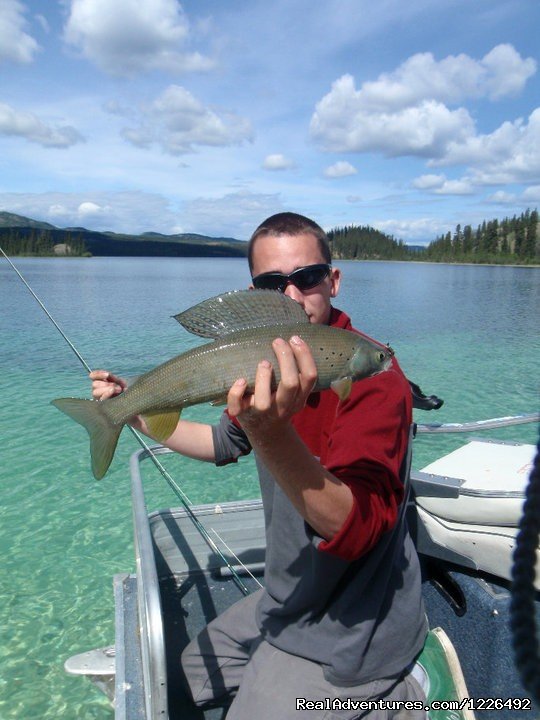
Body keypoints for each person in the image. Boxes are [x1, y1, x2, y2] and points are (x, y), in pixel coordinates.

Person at [90, 212, 428, 719]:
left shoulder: (374, 379)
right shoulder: (261, 370)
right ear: (254, 292)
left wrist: (270, 431)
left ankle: (400, 696)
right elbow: (223, 442)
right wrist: (132, 412)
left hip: (355, 635)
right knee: (171, 683)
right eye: (273, 284)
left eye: (308, 278)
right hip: (287, 601)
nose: (291, 297)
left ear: (333, 280)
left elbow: (354, 531)